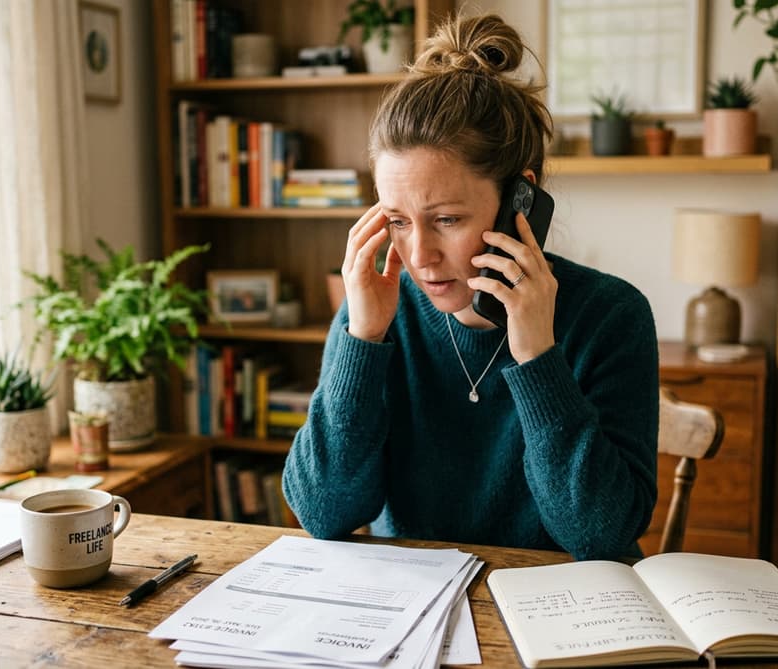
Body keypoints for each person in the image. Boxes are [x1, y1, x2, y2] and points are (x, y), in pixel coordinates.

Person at [282, 12, 659, 561]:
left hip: (563, 617)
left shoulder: (611, 316)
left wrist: (536, 356)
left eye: (447, 220)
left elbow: (599, 535)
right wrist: (362, 339)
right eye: (398, 220)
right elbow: (322, 512)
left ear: (518, 201)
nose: (418, 256)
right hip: (419, 619)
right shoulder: (377, 316)